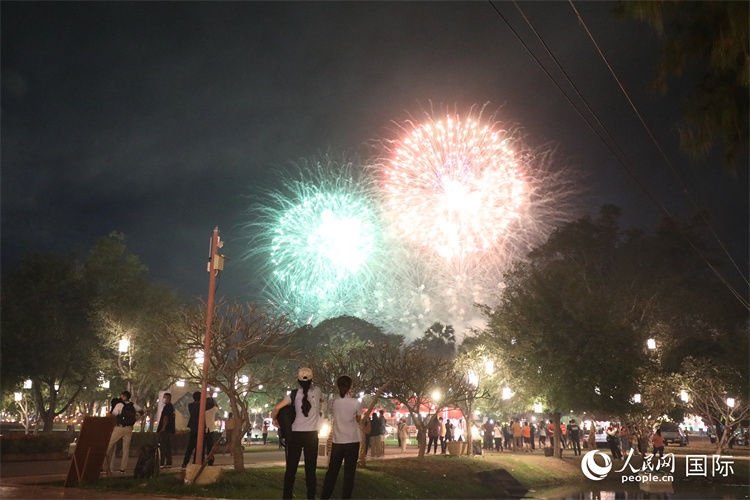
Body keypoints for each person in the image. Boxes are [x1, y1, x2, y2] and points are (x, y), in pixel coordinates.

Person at [273, 367, 324, 500]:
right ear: (312, 379)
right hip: (312, 435)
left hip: (295, 434)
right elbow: (321, 401)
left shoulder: (293, 394)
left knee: (291, 469)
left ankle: (287, 497)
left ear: (298, 380)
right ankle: (311, 497)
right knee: (310, 470)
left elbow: (277, 408)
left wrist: (274, 419)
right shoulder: (318, 391)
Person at [321, 376, 362, 500]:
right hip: (353, 441)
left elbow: (332, 414)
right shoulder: (356, 403)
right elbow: (358, 419)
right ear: (350, 387)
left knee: (332, 472)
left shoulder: (332, 402)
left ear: (337, 386)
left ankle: (325, 496)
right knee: (349, 474)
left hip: (338, 442)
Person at [105, 390, 143, 474]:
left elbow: (113, 416)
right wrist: (135, 419)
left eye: (122, 396)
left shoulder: (119, 404)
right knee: (126, 449)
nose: (120, 397)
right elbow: (141, 411)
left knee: (109, 445)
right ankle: (123, 469)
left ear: (124, 397)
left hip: (119, 428)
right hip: (129, 428)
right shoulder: (133, 405)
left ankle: (102, 465)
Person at [182, 392, 202, 468]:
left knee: (190, 447)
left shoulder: (190, 405)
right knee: (199, 446)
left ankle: (185, 462)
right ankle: (195, 462)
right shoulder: (201, 406)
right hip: (199, 427)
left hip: (193, 427)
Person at [157, 392, 175, 469]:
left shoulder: (167, 407)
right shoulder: (171, 407)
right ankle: (168, 463)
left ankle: (162, 463)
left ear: (168, 398)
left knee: (163, 447)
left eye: (164, 397)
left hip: (165, 430)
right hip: (170, 429)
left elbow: (165, 418)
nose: (163, 399)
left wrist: (163, 428)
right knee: (168, 447)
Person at [204, 397, 218, 465]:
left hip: (204, 429)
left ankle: (202, 460)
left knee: (203, 446)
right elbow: (216, 406)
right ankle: (210, 460)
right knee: (210, 446)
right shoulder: (213, 410)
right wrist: (213, 399)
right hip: (211, 429)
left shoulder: (203, 411)